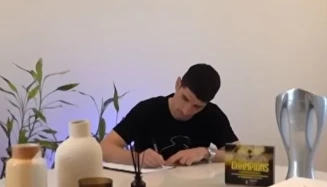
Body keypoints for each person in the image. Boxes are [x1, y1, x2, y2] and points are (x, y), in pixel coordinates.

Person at [101, 63, 239, 168]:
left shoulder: (212, 115)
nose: (186, 111)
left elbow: (243, 158)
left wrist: (206, 152)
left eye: (197, 107)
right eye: (185, 98)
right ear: (178, 84)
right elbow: (104, 148)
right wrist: (139, 158)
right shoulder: (147, 110)